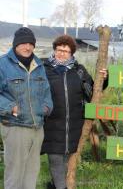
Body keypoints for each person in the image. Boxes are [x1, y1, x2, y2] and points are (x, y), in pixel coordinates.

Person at [41, 35, 108, 189]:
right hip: (52, 123)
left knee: (66, 158)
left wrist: (105, 78)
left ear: (71, 53)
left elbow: (93, 89)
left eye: (66, 50)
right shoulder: (44, 69)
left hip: (74, 123)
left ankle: (55, 185)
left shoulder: (79, 70)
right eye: (59, 49)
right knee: (55, 158)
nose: (62, 53)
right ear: (54, 50)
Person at [0, 27, 53, 189]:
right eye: (23, 43)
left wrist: (46, 107)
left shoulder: (38, 64)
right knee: (15, 174)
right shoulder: (3, 64)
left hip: (37, 127)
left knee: (32, 173)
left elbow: (46, 91)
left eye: (31, 43)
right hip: (15, 126)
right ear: (15, 44)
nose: (27, 47)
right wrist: (12, 108)